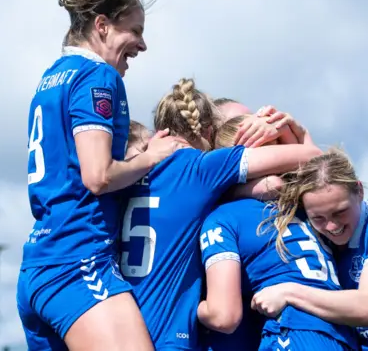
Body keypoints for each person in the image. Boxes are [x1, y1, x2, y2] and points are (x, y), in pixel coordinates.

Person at [16, 0, 182, 351]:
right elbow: (98, 175)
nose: (142, 44)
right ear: (102, 26)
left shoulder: (50, 78)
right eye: (135, 30)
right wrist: (153, 155)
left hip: (40, 265)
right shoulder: (97, 75)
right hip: (78, 263)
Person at [120, 78, 323, 350]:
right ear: (208, 130)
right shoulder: (200, 167)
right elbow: (311, 157)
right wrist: (275, 127)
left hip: (117, 328)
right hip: (168, 334)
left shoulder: (129, 172)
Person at [250, 149, 368, 350]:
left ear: (359, 191)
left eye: (340, 212)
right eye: (318, 218)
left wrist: (289, 292)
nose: (332, 227)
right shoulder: (312, 232)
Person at [198, 120, 358, 351]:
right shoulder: (307, 208)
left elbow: (224, 317)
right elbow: (318, 167)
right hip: (342, 335)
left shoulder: (223, 217)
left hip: (292, 333)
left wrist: (189, 307)